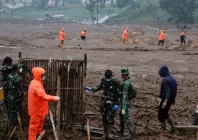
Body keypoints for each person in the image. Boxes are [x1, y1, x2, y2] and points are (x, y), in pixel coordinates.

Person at [86, 70, 120, 139]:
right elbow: (100, 87)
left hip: (112, 103)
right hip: (104, 102)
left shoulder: (116, 82)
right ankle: (105, 132)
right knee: (104, 117)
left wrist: (117, 103)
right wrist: (92, 89)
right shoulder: (103, 80)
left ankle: (110, 133)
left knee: (110, 118)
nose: (107, 79)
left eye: (108, 78)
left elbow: (118, 93)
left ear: (111, 76)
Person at [28, 67, 60, 140]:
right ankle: (32, 138)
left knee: (40, 123)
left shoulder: (37, 82)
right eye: (42, 75)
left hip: (39, 108)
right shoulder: (36, 85)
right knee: (34, 126)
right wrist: (54, 98)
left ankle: (38, 136)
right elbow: (43, 96)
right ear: (38, 75)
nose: (44, 76)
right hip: (36, 109)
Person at [118, 67, 137, 140]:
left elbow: (124, 96)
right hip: (129, 101)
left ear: (123, 75)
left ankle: (132, 133)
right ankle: (121, 130)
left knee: (125, 116)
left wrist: (123, 107)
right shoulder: (130, 81)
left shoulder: (126, 83)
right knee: (121, 114)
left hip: (125, 102)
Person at [158, 65, 177, 133]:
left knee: (163, 113)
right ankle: (164, 127)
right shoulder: (172, 78)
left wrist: (165, 102)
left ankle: (171, 128)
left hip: (166, 99)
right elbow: (174, 90)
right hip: (171, 99)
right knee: (163, 112)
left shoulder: (165, 80)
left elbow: (168, 91)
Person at [6, 62, 24, 131]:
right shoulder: (18, 78)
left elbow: (6, 86)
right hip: (15, 98)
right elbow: (20, 89)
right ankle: (16, 128)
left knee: (10, 112)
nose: (20, 69)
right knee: (15, 113)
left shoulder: (9, 75)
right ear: (16, 69)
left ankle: (9, 128)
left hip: (9, 96)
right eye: (19, 68)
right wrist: (22, 96)